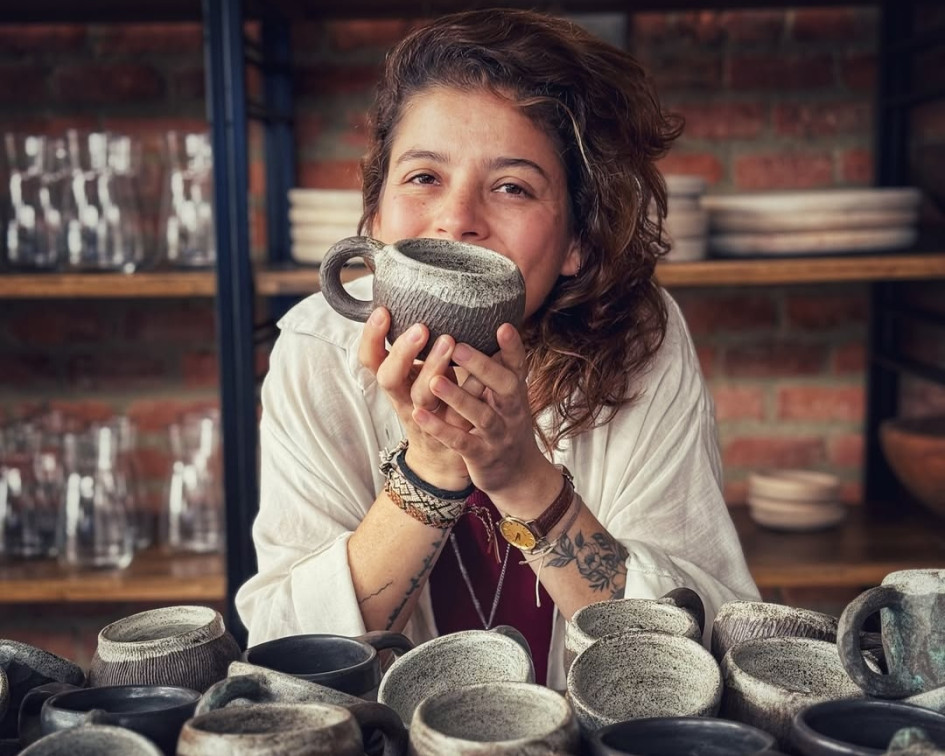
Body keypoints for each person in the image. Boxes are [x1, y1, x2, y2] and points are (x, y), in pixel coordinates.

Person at [235, 8, 760, 688]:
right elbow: (288, 661)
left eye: (512, 187)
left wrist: (519, 475)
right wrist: (429, 467)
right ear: (375, 217)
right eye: (423, 177)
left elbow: (692, 652)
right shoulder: (317, 347)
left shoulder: (638, 338)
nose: (457, 219)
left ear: (576, 241)